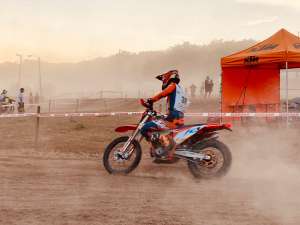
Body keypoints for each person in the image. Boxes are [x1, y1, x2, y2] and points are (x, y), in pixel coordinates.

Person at [141, 70, 187, 161]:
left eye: (163, 80)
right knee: (158, 122)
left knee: (145, 127)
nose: (163, 83)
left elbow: (163, 94)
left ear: (168, 79)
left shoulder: (172, 85)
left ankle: (161, 150)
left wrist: (151, 100)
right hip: (178, 118)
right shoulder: (180, 89)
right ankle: (164, 148)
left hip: (173, 118)